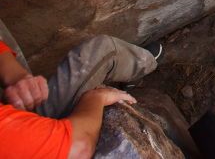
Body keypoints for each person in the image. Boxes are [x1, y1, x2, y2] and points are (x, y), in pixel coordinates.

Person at [0, 18, 161, 159]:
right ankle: (146, 64)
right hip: (26, 136)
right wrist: (96, 98)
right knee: (101, 50)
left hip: (13, 120)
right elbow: (79, 147)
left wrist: (15, 76)